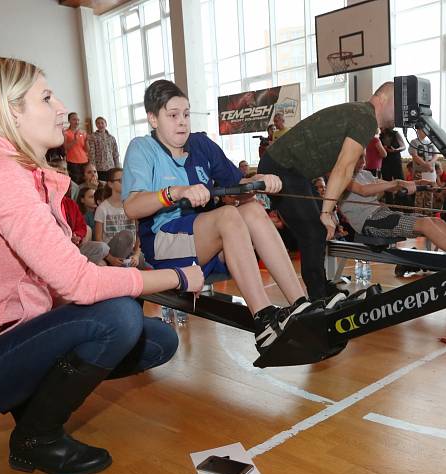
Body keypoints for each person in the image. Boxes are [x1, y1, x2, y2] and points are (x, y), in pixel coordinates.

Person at [0, 56, 204, 474]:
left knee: (157, 340)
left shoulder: (21, 173)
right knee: (118, 316)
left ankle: (32, 405)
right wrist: (179, 277)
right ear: (11, 111)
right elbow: (79, 283)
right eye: (47, 97)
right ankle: (37, 438)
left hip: (10, 339)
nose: (61, 109)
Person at [122, 79, 331, 354]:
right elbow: (132, 207)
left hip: (208, 241)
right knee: (228, 216)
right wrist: (175, 192)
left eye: (186, 114)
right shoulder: (142, 148)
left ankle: (301, 304)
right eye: (173, 115)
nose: (182, 122)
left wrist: (260, 180)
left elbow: (240, 188)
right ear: (153, 118)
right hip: (164, 243)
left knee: (253, 209)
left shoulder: (201, 145)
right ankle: (264, 320)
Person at [258, 82, 396, 300]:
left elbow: (333, 164)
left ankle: (321, 287)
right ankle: (318, 298)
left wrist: (328, 209)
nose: (398, 115)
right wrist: (325, 212)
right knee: (313, 232)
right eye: (397, 107)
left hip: (296, 172)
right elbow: (343, 167)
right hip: (282, 168)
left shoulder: (359, 113)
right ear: (384, 100)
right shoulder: (366, 118)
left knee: (319, 231)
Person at [339, 154, 446, 255]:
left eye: (364, 156)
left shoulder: (365, 174)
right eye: (359, 157)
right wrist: (396, 182)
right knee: (425, 224)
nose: (364, 161)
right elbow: (363, 190)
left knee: (436, 221)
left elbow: (393, 186)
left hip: (383, 214)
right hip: (368, 223)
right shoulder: (341, 178)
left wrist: (420, 183)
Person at [94, 167, 146, 268]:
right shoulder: (103, 208)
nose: (125, 183)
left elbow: (140, 232)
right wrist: (110, 258)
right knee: (127, 235)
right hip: (110, 253)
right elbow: (98, 239)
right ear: (110, 184)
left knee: (146, 261)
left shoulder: (131, 204)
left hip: (130, 252)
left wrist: (136, 254)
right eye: (121, 180)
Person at [87, 116, 120, 182]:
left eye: (102, 123)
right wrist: (93, 169)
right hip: (99, 168)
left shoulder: (111, 138)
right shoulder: (92, 137)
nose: (100, 125)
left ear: (106, 124)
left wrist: (117, 167)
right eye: (98, 123)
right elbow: (92, 153)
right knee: (102, 187)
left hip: (111, 167)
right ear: (96, 125)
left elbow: (115, 153)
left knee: (111, 185)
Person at [64, 112, 89, 182]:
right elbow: (65, 148)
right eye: (74, 119)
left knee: (86, 182)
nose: (77, 121)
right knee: (76, 182)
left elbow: (87, 150)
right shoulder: (66, 132)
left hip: (85, 161)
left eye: (78, 120)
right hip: (73, 162)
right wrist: (74, 140)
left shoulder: (83, 132)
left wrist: (87, 141)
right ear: (69, 121)